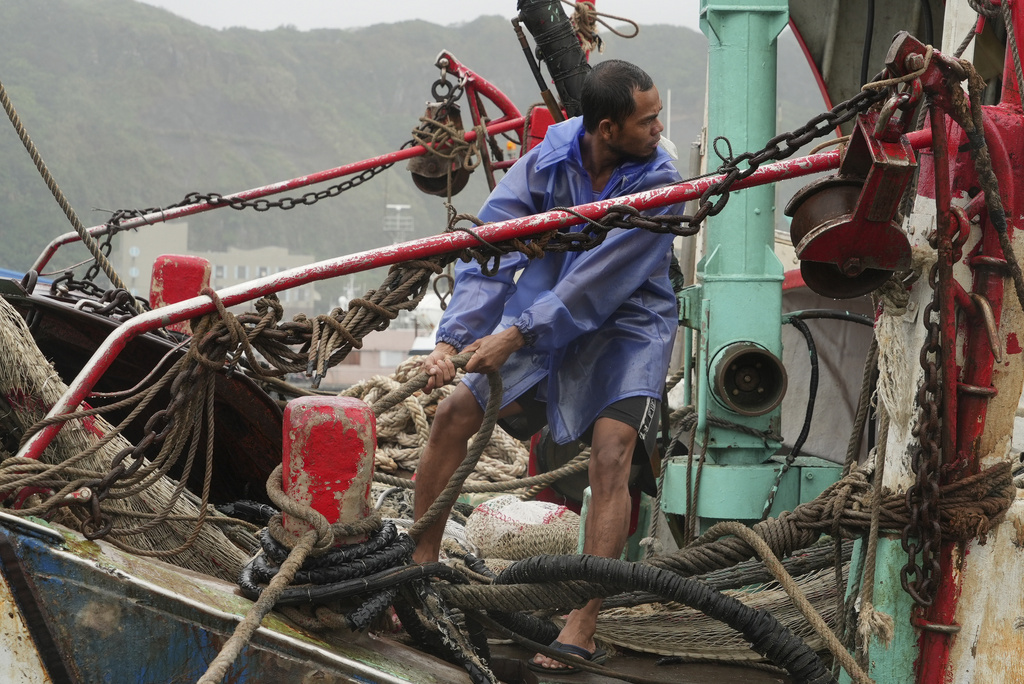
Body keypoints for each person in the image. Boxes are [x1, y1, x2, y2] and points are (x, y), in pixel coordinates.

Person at [412, 59, 683, 672]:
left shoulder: (661, 178)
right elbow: (488, 247)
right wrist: (453, 339)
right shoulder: (547, 160)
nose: (658, 129)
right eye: (648, 119)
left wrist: (515, 332)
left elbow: (600, 282)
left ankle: (582, 619)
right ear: (607, 129)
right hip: (541, 313)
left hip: (628, 324)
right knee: (455, 412)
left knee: (612, 456)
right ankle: (418, 566)